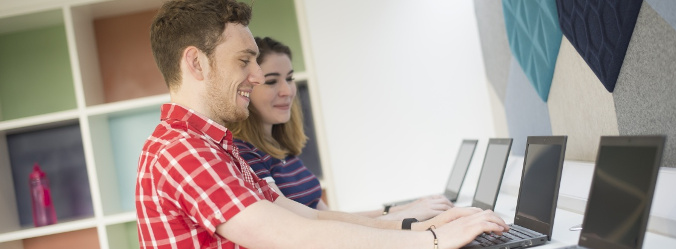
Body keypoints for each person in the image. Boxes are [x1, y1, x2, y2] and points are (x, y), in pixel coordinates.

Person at [136, 0, 509, 248]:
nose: (255, 74)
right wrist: (435, 239)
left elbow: (307, 216)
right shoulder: (181, 151)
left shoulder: (214, 147)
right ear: (196, 63)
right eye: (244, 61)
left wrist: (421, 228)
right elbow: (291, 235)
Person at [229, 36, 453, 221]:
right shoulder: (246, 155)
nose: (287, 91)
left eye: (289, 78)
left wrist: (400, 211)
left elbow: (327, 217)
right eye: (271, 81)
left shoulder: (281, 150)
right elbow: (303, 225)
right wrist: (404, 217)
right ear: (248, 87)